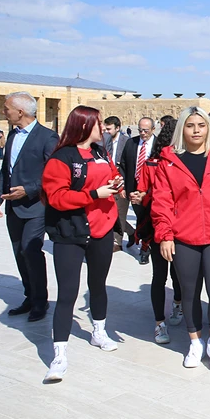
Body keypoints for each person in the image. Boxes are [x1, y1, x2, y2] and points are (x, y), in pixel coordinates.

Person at [151, 107, 210, 372]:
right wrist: (165, 235)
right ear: (182, 128)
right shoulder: (168, 161)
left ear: (209, 128)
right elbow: (162, 201)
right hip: (184, 237)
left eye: (201, 125)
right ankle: (195, 342)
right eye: (191, 125)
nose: (196, 130)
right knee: (189, 292)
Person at [42, 106, 123, 382]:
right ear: (85, 125)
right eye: (100, 123)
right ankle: (59, 353)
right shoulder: (62, 157)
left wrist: (116, 184)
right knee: (67, 293)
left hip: (101, 230)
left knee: (98, 285)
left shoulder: (102, 153)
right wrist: (93, 193)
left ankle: (99, 331)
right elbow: (57, 197)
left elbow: (110, 178)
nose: (105, 128)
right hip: (71, 233)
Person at [0, 92, 59, 322]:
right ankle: (30, 296)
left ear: (20, 111)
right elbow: (6, 171)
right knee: (18, 252)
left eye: (6, 108)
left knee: (30, 250)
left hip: (37, 206)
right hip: (14, 207)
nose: (4, 111)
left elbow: (54, 174)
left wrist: (30, 189)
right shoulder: (12, 136)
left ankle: (40, 302)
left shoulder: (47, 137)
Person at [130, 117, 184, 344]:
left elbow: (142, 193)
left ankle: (160, 322)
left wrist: (143, 197)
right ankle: (172, 310)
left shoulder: (157, 162)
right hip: (164, 224)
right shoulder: (156, 164)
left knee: (160, 275)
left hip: (165, 225)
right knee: (174, 274)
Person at [119, 116, 156, 248]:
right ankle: (142, 242)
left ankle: (147, 245)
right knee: (140, 216)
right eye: (140, 130)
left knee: (149, 217)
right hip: (134, 186)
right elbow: (123, 165)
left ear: (153, 129)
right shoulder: (131, 143)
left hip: (151, 189)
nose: (142, 133)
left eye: (146, 130)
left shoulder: (158, 145)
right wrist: (123, 186)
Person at [103, 115, 132, 253]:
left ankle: (117, 242)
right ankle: (132, 232)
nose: (106, 131)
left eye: (109, 129)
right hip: (107, 180)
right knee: (110, 211)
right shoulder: (101, 142)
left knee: (120, 212)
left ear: (118, 128)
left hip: (122, 180)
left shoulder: (127, 142)